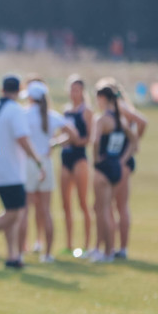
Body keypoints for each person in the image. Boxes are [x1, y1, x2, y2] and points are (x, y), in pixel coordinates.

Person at [0, 75, 44, 268]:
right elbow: (23, 139)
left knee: (8, 211)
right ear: (18, 92)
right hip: (10, 170)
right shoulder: (16, 110)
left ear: (2, 90)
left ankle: (13, 256)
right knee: (15, 213)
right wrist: (37, 161)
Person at [19, 79, 77, 263]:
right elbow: (73, 135)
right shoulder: (53, 115)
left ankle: (21, 251)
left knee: (24, 210)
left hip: (29, 163)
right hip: (46, 163)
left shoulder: (24, 114)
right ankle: (48, 254)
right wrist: (55, 143)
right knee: (46, 210)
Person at [90, 79, 135, 263]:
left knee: (102, 211)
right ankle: (106, 250)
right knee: (106, 209)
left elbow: (95, 141)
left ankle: (107, 251)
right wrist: (122, 159)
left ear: (102, 98)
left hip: (103, 169)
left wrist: (96, 160)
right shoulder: (120, 118)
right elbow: (134, 141)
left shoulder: (102, 119)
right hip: (115, 167)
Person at [59, 75, 94, 255]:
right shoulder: (65, 110)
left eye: (77, 89)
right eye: (71, 89)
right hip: (66, 157)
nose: (74, 93)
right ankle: (69, 243)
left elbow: (88, 138)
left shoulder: (86, 111)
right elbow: (63, 135)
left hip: (80, 158)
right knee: (65, 204)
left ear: (82, 91)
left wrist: (75, 139)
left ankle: (88, 244)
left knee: (82, 202)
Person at [113, 87, 147, 259]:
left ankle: (121, 248)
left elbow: (142, 122)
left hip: (122, 162)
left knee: (119, 205)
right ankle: (113, 247)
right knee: (113, 206)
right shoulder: (116, 108)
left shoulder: (121, 107)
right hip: (118, 161)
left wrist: (133, 144)